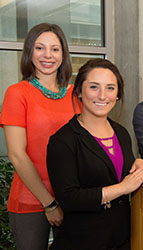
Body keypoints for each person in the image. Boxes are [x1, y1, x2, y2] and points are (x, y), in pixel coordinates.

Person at [46, 59, 143, 249]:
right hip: (83, 240)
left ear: (118, 94)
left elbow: (111, 168)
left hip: (121, 237)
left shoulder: (121, 132)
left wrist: (136, 164)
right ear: (80, 91)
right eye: (94, 87)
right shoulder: (63, 140)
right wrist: (123, 187)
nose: (103, 96)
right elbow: (69, 199)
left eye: (110, 88)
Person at [0, 23, 76, 250]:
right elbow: (16, 154)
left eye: (55, 49)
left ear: (63, 54)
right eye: (39, 48)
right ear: (29, 53)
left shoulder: (76, 94)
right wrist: (49, 204)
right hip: (31, 200)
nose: (47, 55)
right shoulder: (17, 93)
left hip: (72, 198)